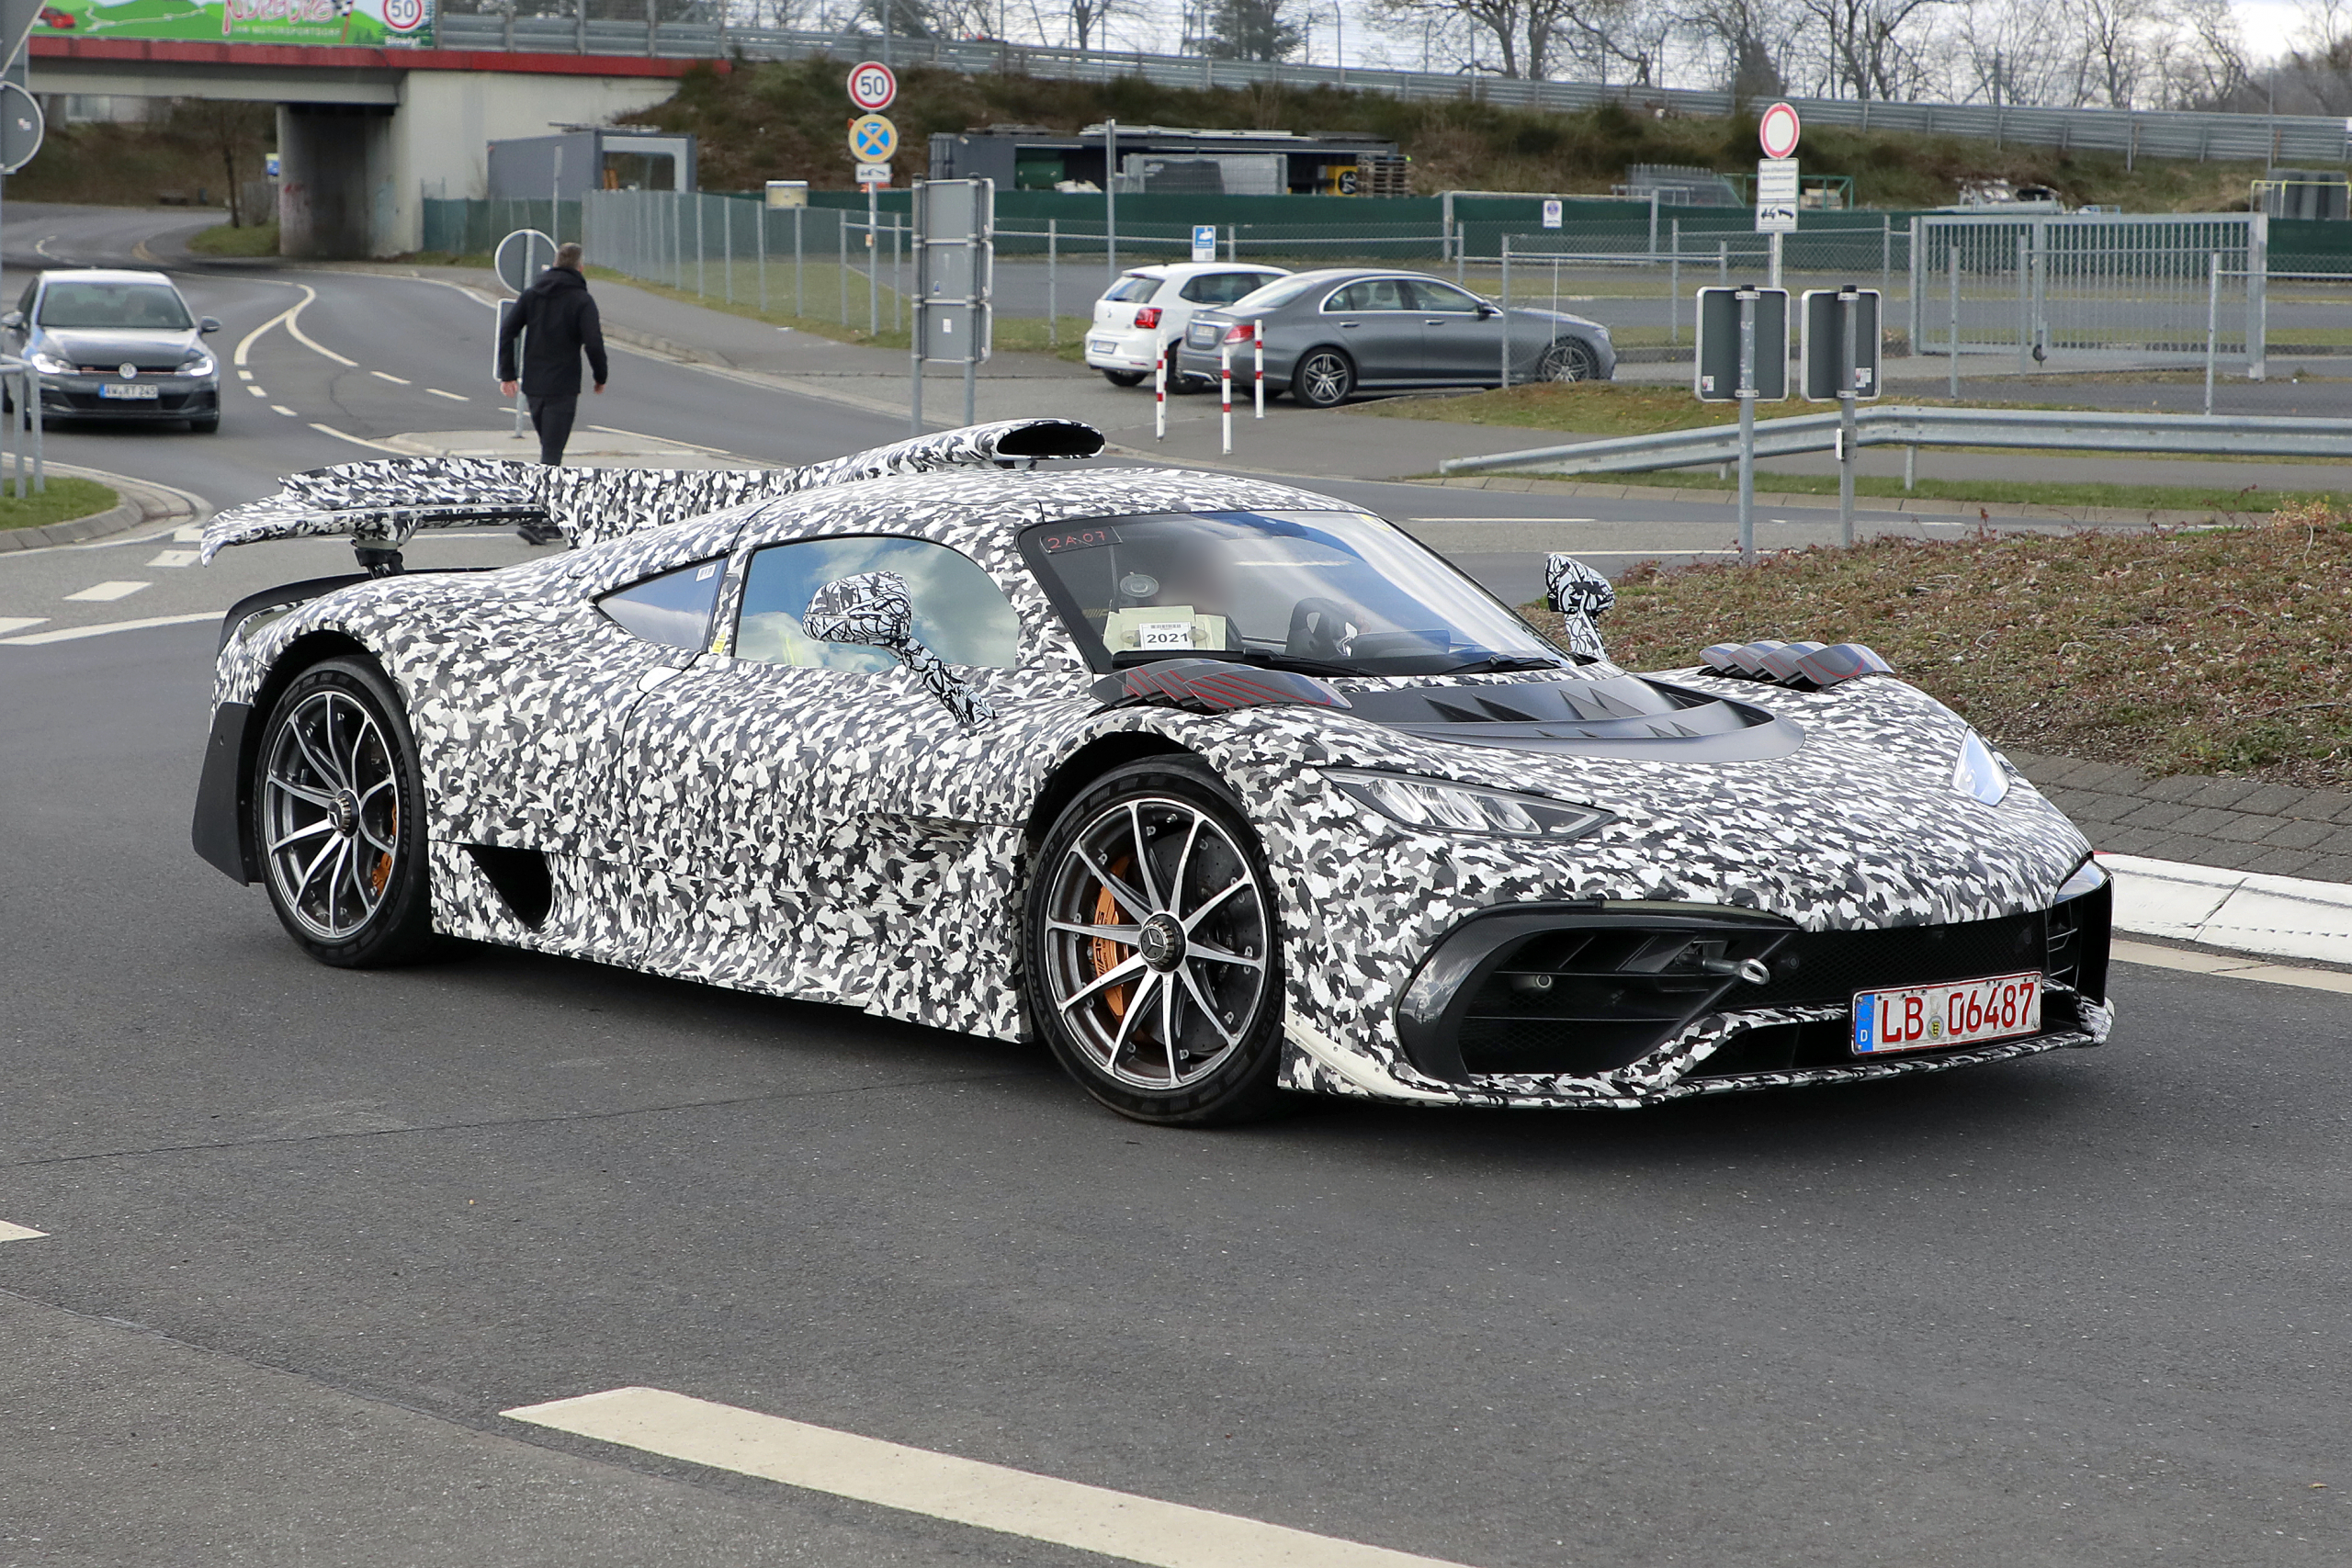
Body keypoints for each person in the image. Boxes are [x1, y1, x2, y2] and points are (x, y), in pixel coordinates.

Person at [497, 242, 607, 542]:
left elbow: (508, 330)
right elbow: (594, 342)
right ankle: (540, 520)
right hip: (562, 386)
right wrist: (601, 376)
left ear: (555, 263)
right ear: (580, 268)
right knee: (551, 454)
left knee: (550, 450)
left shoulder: (533, 295)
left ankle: (546, 517)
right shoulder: (581, 300)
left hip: (534, 386)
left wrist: (508, 373)